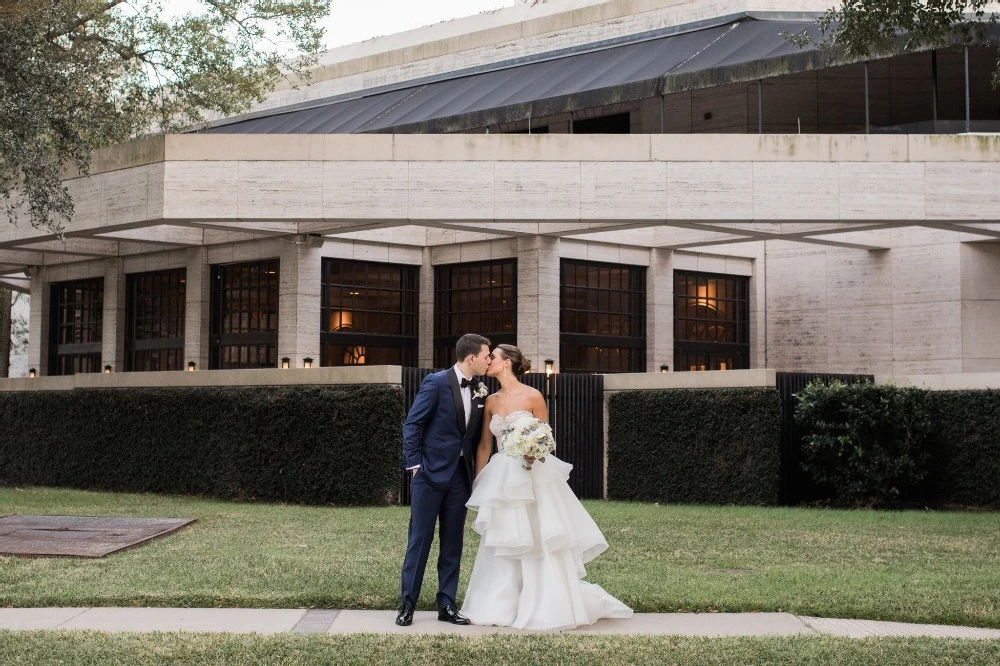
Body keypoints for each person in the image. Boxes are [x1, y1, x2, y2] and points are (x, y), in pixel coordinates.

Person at [460, 344, 633, 630]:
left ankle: (545, 603)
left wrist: (533, 451)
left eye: (493, 357)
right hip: (501, 478)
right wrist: (479, 483)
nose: (487, 360)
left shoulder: (534, 396)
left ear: (506, 363)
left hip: (532, 476)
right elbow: (483, 447)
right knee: (505, 538)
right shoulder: (489, 401)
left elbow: (545, 439)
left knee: (538, 535)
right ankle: (500, 606)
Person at [397, 333, 492, 627]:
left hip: (459, 479)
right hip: (428, 476)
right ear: (472, 357)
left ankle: (446, 604)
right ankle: (407, 604)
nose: (490, 360)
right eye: (487, 356)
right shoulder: (436, 382)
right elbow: (413, 424)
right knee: (420, 540)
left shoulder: (480, 390)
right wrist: (414, 465)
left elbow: (474, 437)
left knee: (453, 544)